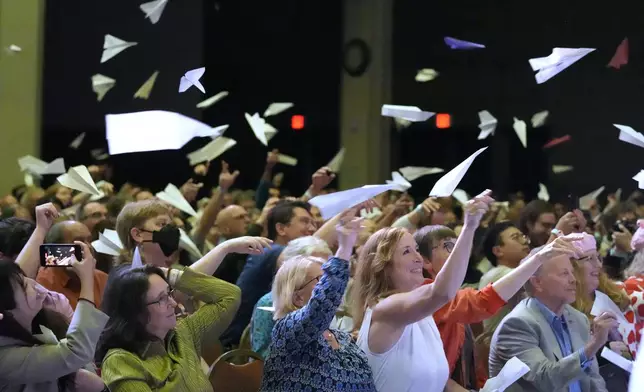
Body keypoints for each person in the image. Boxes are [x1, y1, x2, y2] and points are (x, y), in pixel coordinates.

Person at [353, 191, 494, 392]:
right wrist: (469, 227)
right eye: (406, 252)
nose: (418, 258)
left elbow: (440, 382)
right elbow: (442, 292)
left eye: (416, 249)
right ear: (382, 266)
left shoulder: (422, 312)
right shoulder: (385, 308)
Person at [97, 243, 246, 391]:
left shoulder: (183, 332)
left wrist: (171, 275)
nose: (174, 303)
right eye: (161, 299)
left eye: (169, 293)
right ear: (135, 311)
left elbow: (230, 296)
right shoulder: (121, 361)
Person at [259, 213, 376, 392]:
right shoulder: (286, 330)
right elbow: (320, 307)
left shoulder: (342, 337)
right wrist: (344, 248)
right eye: (321, 280)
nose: (329, 285)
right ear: (297, 297)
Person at [489, 237, 612, 392]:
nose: (574, 280)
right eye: (564, 274)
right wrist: (593, 346)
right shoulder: (517, 325)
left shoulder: (578, 319)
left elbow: (594, 379)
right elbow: (545, 380)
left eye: (572, 273)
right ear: (537, 282)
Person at [0, 242, 109, 392]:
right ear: (6, 312)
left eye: (26, 278)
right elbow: (76, 351)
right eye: (25, 286)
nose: (34, 284)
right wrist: (87, 280)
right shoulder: (4, 357)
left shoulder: (42, 321)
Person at [250, 235, 334, 358]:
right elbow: (261, 354)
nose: (326, 279)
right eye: (315, 265)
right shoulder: (269, 302)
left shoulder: (328, 298)